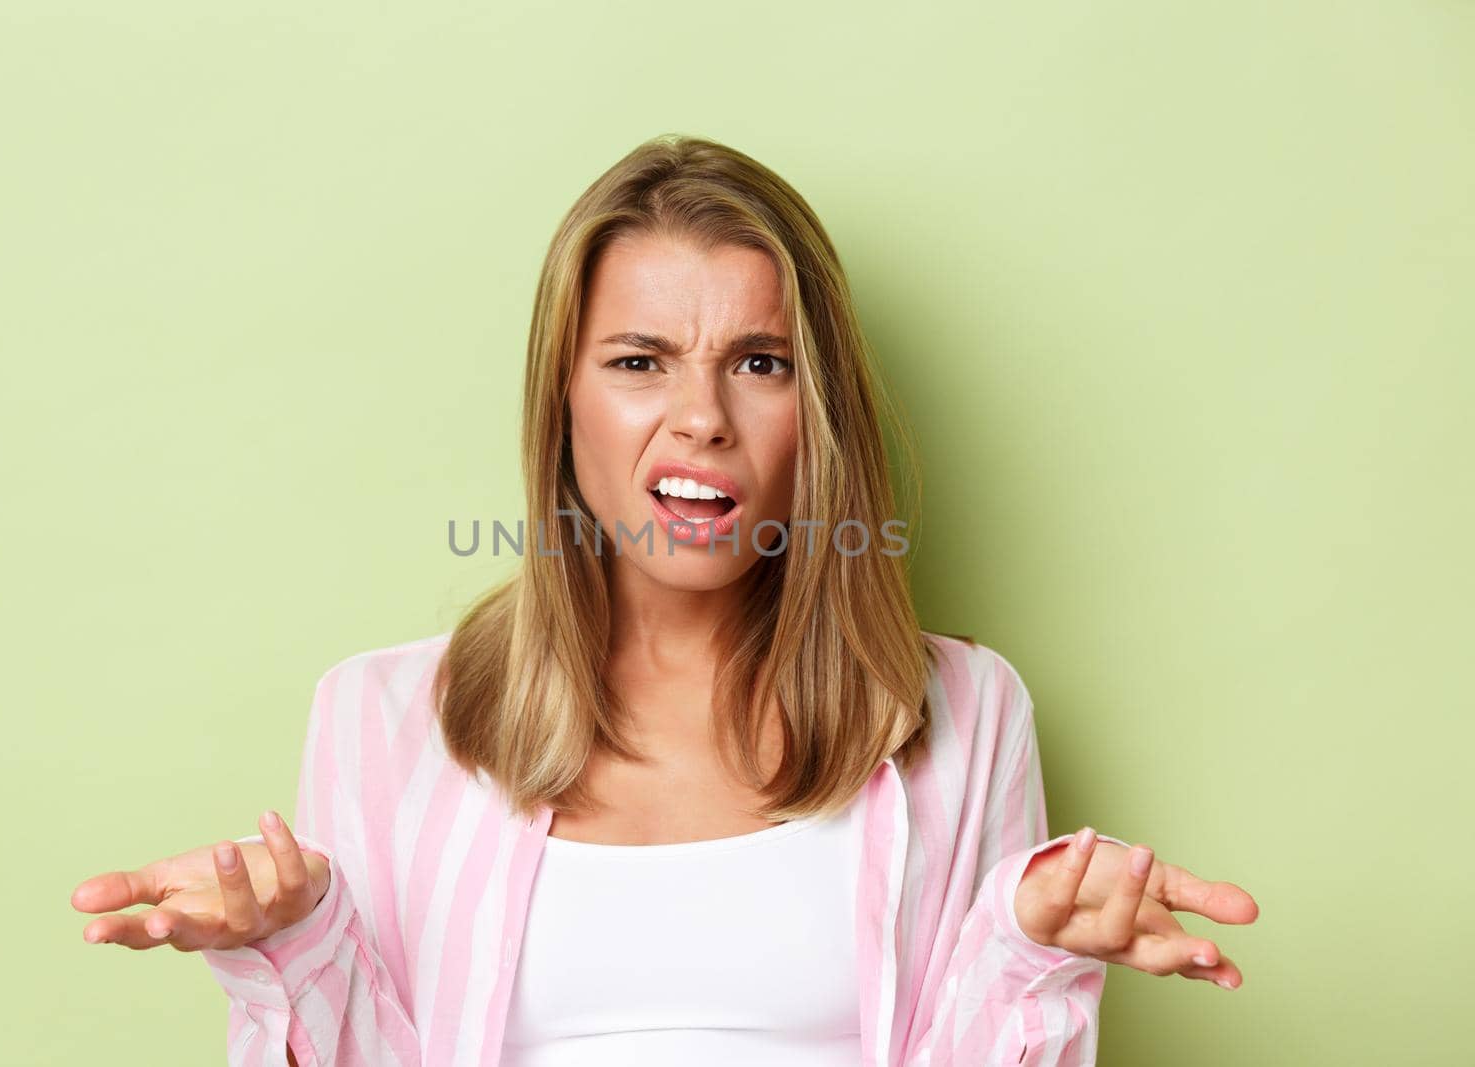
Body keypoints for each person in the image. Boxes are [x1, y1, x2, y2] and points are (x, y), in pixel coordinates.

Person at [70, 134, 1259, 1067]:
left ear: (818, 416)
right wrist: (293, 942)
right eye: (639, 361)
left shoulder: (961, 708)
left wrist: (1030, 949)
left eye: (759, 360)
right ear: (565, 403)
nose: (701, 416)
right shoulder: (379, 715)